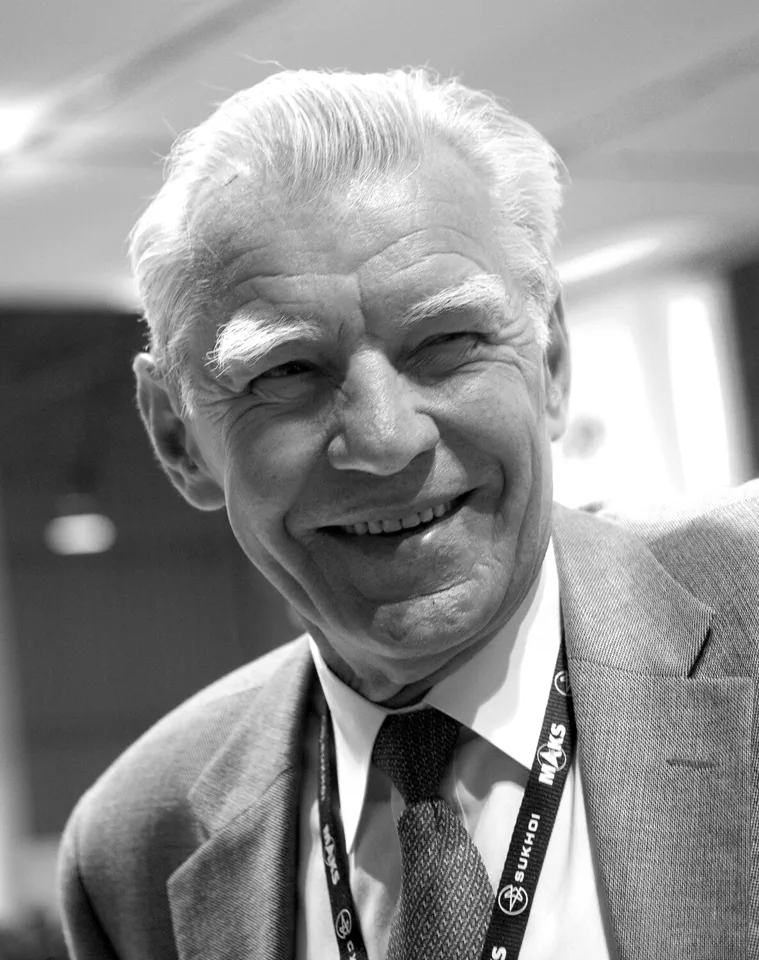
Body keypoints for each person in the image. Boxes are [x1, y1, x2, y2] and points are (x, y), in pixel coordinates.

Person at [58, 68, 758, 960]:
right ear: (176, 438)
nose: (384, 441)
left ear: (549, 359)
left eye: (447, 343)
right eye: (286, 372)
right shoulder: (136, 845)